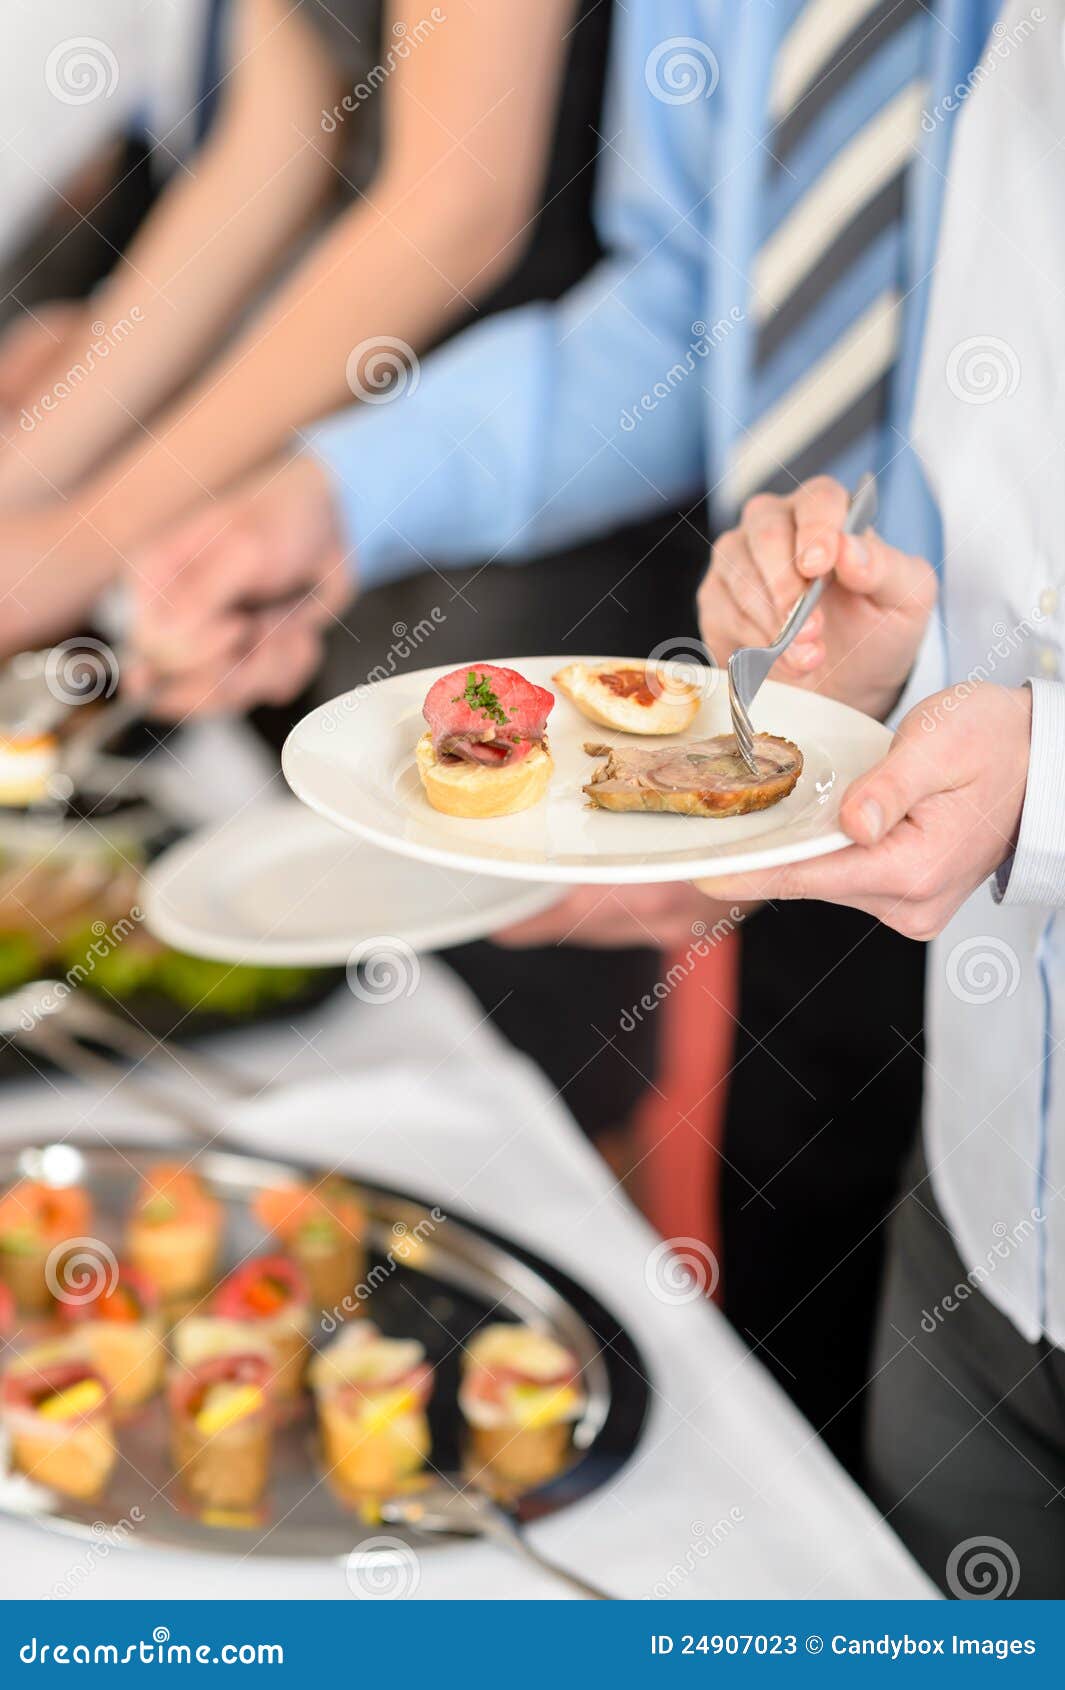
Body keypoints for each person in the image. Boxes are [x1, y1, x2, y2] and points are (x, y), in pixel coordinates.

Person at [122, 0, 946, 1484]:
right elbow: (680, 312)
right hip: (791, 758)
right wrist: (329, 495)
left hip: (999, 805)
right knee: (803, 1420)